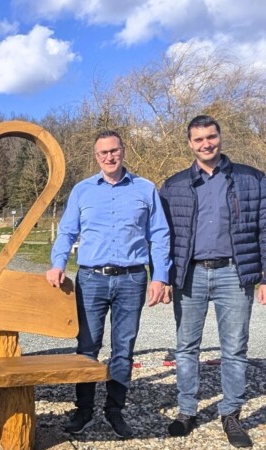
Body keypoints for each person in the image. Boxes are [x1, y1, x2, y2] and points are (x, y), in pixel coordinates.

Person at [46, 130, 170, 439]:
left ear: (123, 151)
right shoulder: (82, 191)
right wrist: (58, 263)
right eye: (103, 153)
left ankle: (115, 410)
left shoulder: (145, 189)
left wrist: (160, 275)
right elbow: (66, 232)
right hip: (91, 279)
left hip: (131, 278)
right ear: (96, 156)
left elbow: (160, 235)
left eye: (114, 151)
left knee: (123, 349)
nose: (109, 157)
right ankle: (84, 410)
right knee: (87, 346)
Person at [159, 115, 266, 448]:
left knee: (234, 349)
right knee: (186, 347)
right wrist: (162, 277)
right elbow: (163, 236)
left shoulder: (252, 179)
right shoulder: (173, 185)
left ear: (220, 137)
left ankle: (230, 413)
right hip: (189, 275)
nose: (206, 144)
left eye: (211, 137)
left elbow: (264, 228)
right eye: (199, 139)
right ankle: (187, 411)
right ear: (189, 144)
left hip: (234, 273)